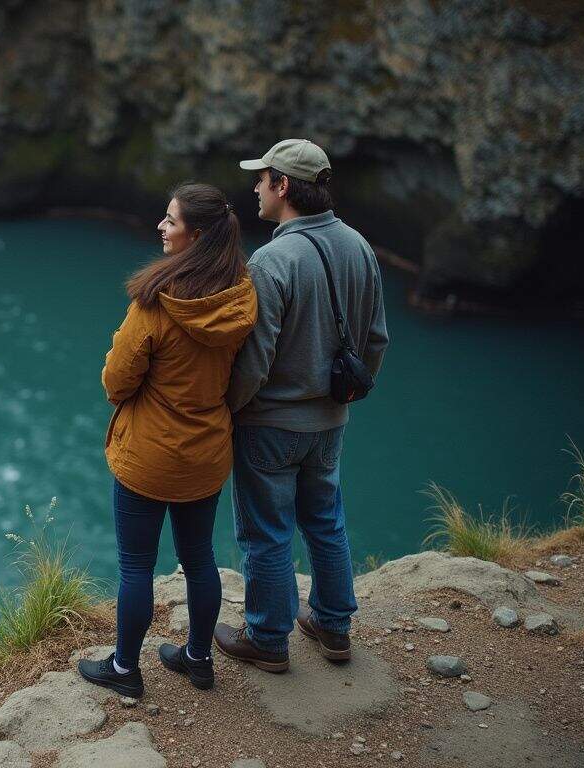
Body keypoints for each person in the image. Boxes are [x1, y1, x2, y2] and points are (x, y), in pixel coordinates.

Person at [215, 139, 389, 672]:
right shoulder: (360, 245)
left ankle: (268, 639)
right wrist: (346, 394)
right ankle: (334, 628)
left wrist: (229, 412)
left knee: (268, 532)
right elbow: (376, 340)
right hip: (331, 420)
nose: (255, 187)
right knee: (326, 521)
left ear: (283, 185)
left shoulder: (271, 261)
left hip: (270, 423)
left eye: (262, 178)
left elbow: (255, 358)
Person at [77, 182, 257, 697]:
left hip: (150, 458)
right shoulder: (239, 296)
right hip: (206, 453)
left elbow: (117, 381)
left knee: (136, 564)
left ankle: (124, 670)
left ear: (195, 235)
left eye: (171, 221)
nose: (160, 226)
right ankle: (199, 659)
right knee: (199, 557)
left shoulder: (156, 302)